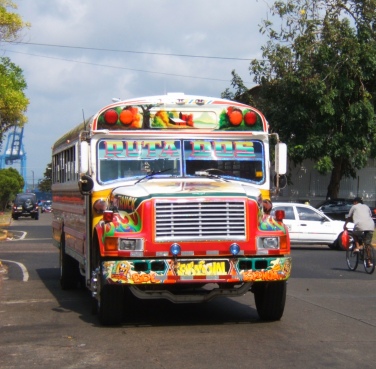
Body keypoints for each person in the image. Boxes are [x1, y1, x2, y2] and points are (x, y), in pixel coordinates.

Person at [344, 196, 374, 267]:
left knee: (354, 234)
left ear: (356, 202)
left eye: (353, 202)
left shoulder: (354, 207)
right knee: (367, 244)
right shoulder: (366, 206)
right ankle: (369, 261)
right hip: (370, 225)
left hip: (360, 225)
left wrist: (345, 225)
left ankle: (357, 247)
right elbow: (370, 215)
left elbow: (349, 217)